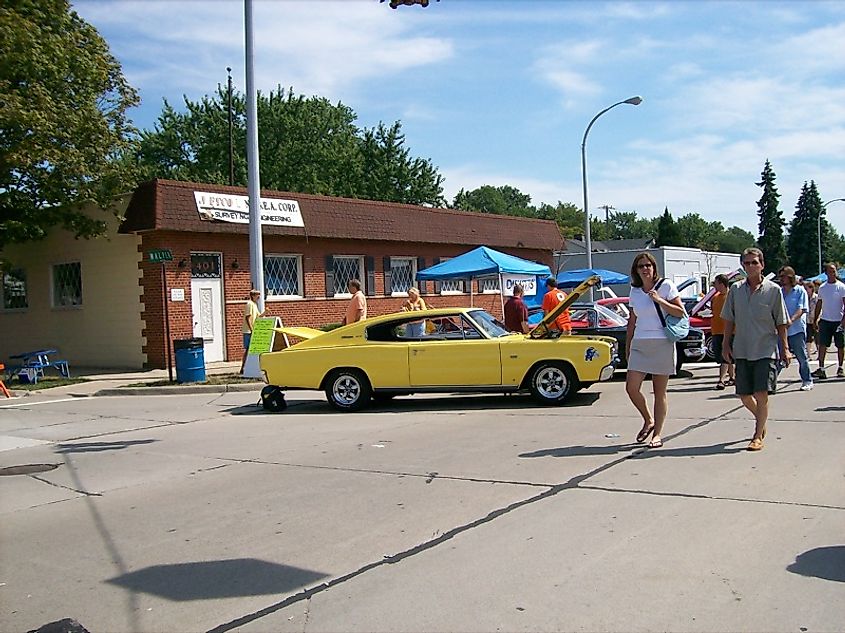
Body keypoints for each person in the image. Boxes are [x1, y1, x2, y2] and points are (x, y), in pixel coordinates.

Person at [721, 248, 790, 452]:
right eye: (747, 263)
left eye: (754, 262)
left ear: (762, 265)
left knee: (761, 394)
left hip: (765, 349)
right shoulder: (735, 290)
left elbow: (781, 322)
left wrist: (785, 348)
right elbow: (729, 319)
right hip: (742, 349)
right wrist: (725, 344)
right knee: (744, 395)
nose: (750, 266)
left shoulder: (773, 290)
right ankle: (762, 419)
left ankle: (757, 435)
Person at [625, 252, 686, 449]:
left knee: (659, 392)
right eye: (641, 266)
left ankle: (657, 434)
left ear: (654, 268)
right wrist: (628, 346)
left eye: (648, 265)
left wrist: (660, 300)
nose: (645, 269)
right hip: (641, 343)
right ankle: (648, 420)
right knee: (631, 388)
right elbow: (632, 321)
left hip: (662, 342)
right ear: (636, 270)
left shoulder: (666, 286)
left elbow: (680, 312)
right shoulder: (634, 291)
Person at [778, 266, 812, 390]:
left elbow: (802, 309)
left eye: (783, 276)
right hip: (781, 331)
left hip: (796, 329)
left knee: (801, 357)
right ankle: (770, 383)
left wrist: (791, 320)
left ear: (790, 277)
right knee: (779, 356)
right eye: (780, 276)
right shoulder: (779, 292)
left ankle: (807, 380)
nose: (781, 279)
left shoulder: (799, 291)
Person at [812, 262, 845, 379]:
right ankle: (821, 369)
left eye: (834, 271)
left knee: (840, 345)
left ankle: (840, 367)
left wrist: (843, 320)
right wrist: (816, 319)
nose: (832, 273)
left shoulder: (841, 287)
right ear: (826, 273)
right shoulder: (822, 287)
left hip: (838, 320)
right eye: (830, 271)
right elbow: (819, 304)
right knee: (822, 345)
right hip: (826, 320)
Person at [710, 274, 736, 390]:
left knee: (725, 356)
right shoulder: (715, 297)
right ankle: (732, 377)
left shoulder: (732, 296)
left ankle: (721, 380)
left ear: (721, 283)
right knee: (727, 356)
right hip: (716, 331)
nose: (714, 286)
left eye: (715, 283)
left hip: (730, 331)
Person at [240, 289, 263, 373]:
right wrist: (251, 329)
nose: (259, 297)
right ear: (253, 295)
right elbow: (248, 317)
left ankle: (249, 368)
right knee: (248, 349)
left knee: (252, 349)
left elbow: (259, 316)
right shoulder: (249, 304)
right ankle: (243, 367)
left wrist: (265, 312)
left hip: (252, 330)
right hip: (248, 331)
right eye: (257, 295)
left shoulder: (254, 305)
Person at [804, 280, 819, 356]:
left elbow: (820, 308)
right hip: (807, 320)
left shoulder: (816, 297)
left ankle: (819, 353)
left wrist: (817, 319)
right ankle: (809, 354)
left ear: (811, 288)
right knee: (808, 337)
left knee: (817, 337)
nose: (806, 290)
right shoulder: (804, 297)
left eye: (807, 288)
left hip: (816, 319)